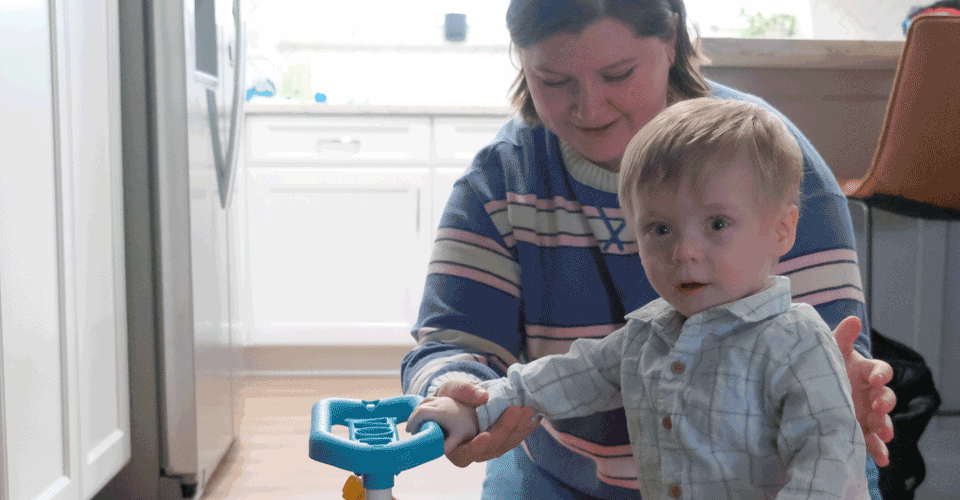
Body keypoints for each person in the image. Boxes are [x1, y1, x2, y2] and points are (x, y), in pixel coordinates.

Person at [400, 1, 897, 498]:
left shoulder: (769, 163)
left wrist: (844, 389)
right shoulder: (501, 180)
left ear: (671, 42)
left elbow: (832, 454)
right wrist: (463, 396)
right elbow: (491, 356)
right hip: (563, 473)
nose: (589, 108)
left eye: (618, 74)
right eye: (553, 80)